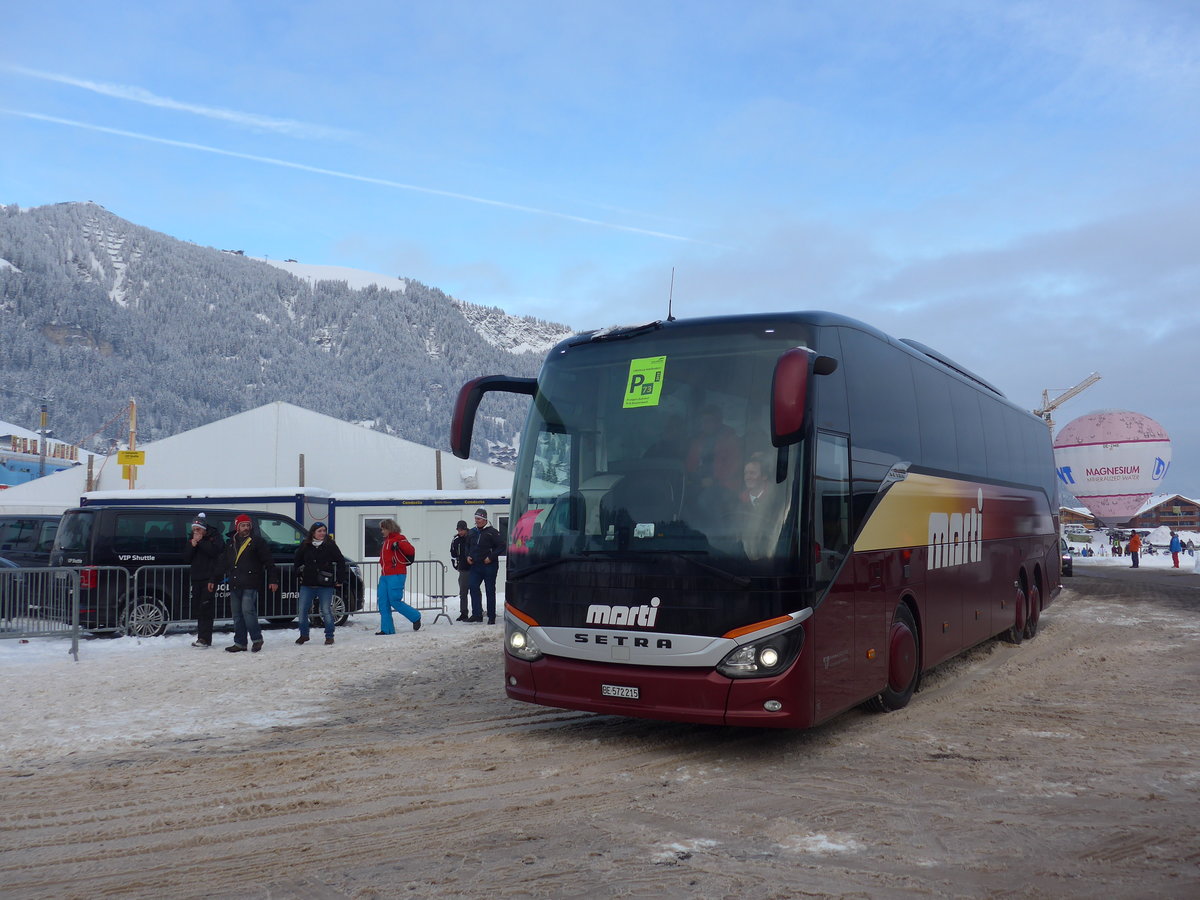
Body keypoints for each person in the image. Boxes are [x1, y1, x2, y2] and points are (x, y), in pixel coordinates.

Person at [222, 513, 278, 653]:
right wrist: (213, 579)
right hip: (235, 583)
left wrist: (273, 579)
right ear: (237, 527)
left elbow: (269, 562)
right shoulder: (230, 543)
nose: (246, 528)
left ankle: (257, 639)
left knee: (248, 612)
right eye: (243, 525)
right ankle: (240, 643)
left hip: (251, 582)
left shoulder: (258, 542)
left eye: (248, 525)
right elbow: (222, 563)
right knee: (237, 615)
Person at [294, 522, 347, 646]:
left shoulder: (330, 545)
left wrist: (340, 579)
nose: (322, 533)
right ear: (313, 532)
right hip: (308, 583)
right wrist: (299, 573)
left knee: (326, 610)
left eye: (324, 530)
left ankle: (329, 635)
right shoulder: (305, 545)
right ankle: (304, 634)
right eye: (319, 531)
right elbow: (297, 560)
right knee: (302, 610)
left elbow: (340, 561)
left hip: (325, 584)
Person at [182, 513, 224, 648]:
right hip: (196, 578)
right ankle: (201, 636)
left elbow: (215, 552)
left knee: (206, 607)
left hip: (209, 578)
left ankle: (205, 638)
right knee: (199, 608)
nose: (196, 532)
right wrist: (192, 545)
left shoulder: (214, 537)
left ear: (204, 529)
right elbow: (187, 558)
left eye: (198, 529)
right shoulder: (193, 539)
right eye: (194, 529)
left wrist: (200, 542)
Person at [377, 518, 421, 634]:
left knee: (395, 600)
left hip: (396, 574)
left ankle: (415, 616)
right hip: (385, 575)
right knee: (383, 602)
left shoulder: (399, 538)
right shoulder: (386, 541)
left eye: (383, 529)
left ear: (389, 528)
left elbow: (411, 550)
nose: (382, 531)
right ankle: (387, 629)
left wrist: (399, 544)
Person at [466, 508, 504, 624]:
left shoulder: (492, 532)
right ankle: (477, 614)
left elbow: (502, 546)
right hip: (476, 566)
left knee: (490, 590)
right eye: (475, 518)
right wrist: (468, 556)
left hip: (489, 566)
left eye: (478, 519)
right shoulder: (472, 532)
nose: (476, 521)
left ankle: (491, 616)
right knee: (473, 587)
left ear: (484, 519)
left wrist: (491, 557)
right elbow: (467, 546)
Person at [450, 519, 472, 622]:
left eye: (461, 530)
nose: (460, 532)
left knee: (475, 591)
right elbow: (453, 553)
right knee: (463, 592)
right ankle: (464, 612)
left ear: (465, 529)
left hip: (473, 568)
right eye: (458, 530)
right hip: (463, 568)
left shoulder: (472, 536)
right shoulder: (456, 540)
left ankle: (478, 610)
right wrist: (456, 565)